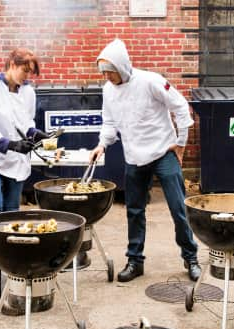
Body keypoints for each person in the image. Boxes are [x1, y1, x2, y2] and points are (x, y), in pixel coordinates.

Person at [90, 38, 201, 283]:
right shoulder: (109, 90)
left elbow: (181, 107)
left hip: (163, 153)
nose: (107, 77)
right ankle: (135, 261)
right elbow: (109, 122)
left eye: (111, 72)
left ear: (122, 67)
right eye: (104, 73)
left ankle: (191, 258)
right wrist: (101, 145)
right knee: (135, 211)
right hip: (134, 157)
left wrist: (181, 143)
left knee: (178, 208)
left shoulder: (150, 81)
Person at [0, 48, 49, 215]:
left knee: (12, 210)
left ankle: (8, 241)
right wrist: (11, 145)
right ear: (13, 65)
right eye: (25, 71)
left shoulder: (28, 92)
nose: (27, 76)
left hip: (16, 160)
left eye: (30, 73)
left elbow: (26, 122)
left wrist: (36, 134)